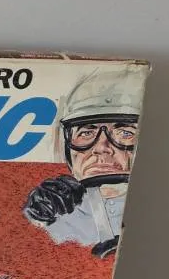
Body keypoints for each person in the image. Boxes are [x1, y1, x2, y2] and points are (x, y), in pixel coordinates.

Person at [23, 69, 141, 257]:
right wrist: (38, 218)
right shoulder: (59, 213)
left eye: (125, 133)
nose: (102, 147)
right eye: (86, 133)